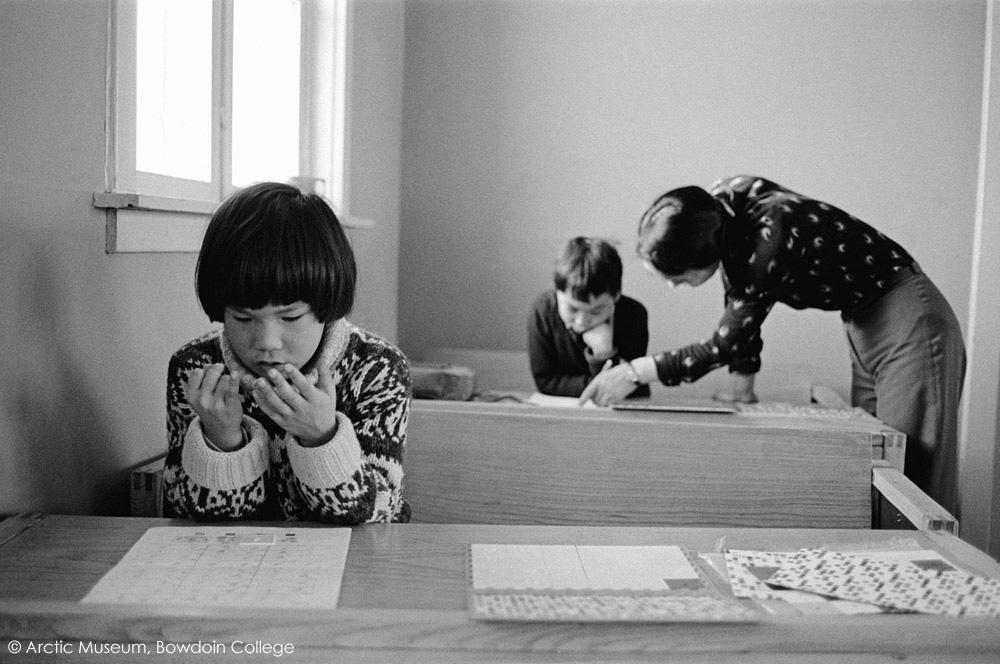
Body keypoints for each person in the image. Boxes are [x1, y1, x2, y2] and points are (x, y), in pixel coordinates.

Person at [579, 175, 965, 514]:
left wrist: (633, 372)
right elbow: (742, 303)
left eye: (676, 276)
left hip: (907, 317)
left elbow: (724, 342)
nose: (671, 285)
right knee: (872, 465)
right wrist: (742, 389)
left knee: (911, 484)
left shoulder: (770, 238)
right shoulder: (724, 204)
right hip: (863, 320)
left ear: (706, 255)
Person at [163, 181, 411, 523]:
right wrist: (223, 440)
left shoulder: (377, 369)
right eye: (243, 317)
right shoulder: (198, 370)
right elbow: (186, 513)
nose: (266, 342)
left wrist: (321, 438)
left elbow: (378, 510)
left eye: (290, 316)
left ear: (327, 303)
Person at [528, 236, 650, 398]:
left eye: (596, 311)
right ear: (557, 291)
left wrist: (604, 354)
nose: (581, 321)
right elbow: (546, 381)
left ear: (616, 296)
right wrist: (599, 385)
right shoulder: (543, 311)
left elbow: (632, 388)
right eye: (572, 309)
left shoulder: (633, 315)